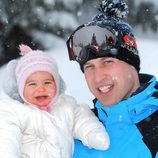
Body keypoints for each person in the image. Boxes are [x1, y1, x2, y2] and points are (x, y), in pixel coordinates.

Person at [66, 0, 158, 157]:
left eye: (107, 62)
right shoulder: (76, 130)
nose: (98, 77)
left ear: (132, 65)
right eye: (89, 67)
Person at [0, 44, 110, 158]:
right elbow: (6, 138)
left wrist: (92, 133)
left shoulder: (66, 105)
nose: (41, 88)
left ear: (57, 85)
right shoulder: (15, 111)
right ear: (21, 88)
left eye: (47, 82)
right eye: (32, 84)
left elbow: (82, 119)